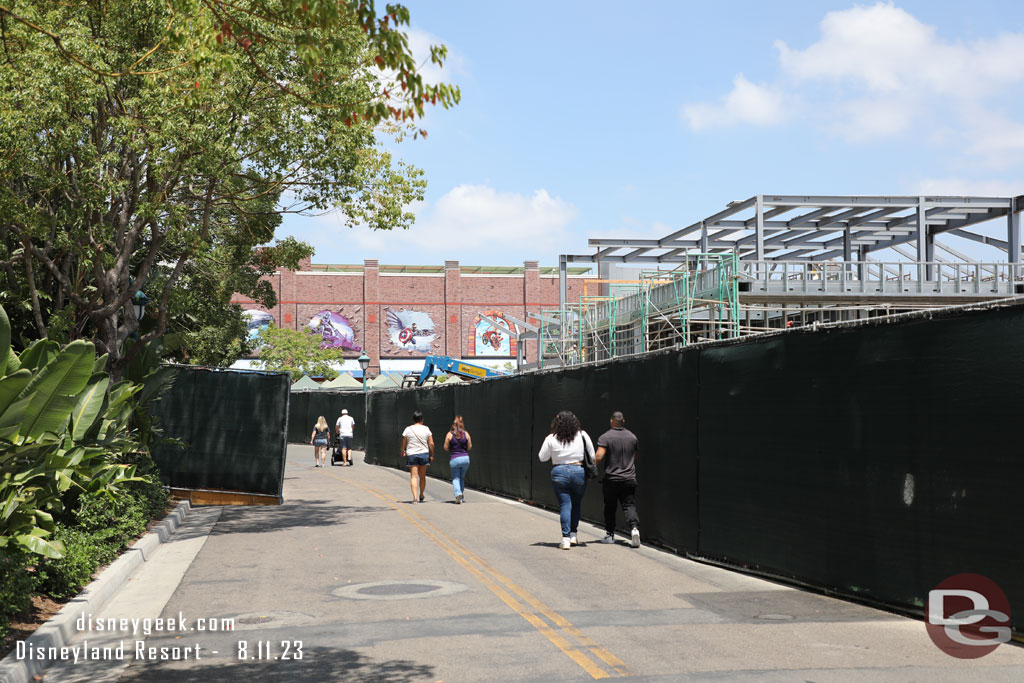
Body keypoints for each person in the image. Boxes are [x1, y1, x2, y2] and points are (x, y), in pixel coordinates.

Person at [538, 410, 594, 550]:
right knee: (576, 504)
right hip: (578, 471)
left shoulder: (551, 438)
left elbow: (542, 457)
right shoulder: (582, 435)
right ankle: (574, 535)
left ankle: (565, 538)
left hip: (559, 472)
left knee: (565, 505)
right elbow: (592, 455)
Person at [595, 411, 641, 547]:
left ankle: (610, 535)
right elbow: (635, 457)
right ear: (623, 421)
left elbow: (599, 455)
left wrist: (592, 468)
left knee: (610, 507)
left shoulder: (606, 437)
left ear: (611, 421)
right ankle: (634, 529)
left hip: (612, 479)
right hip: (629, 478)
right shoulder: (632, 437)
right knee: (629, 505)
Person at [400, 410, 433, 502]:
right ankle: (421, 494)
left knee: (414, 477)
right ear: (422, 419)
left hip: (412, 454)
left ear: (413, 419)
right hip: (424, 454)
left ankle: (415, 498)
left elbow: (403, 441)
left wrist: (402, 450)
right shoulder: (426, 429)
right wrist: (432, 454)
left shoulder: (408, 429)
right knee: (422, 477)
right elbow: (431, 443)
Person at [444, 416, 472, 504]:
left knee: (456, 478)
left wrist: (452, 449)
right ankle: (462, 497)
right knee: (462, 478)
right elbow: (470, 446)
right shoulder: (466, 434)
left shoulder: (449, 434)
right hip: (465, 459)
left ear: (453, 425)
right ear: (462, 424)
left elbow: (445, 447)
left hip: (455, 459)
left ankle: (458, 494)